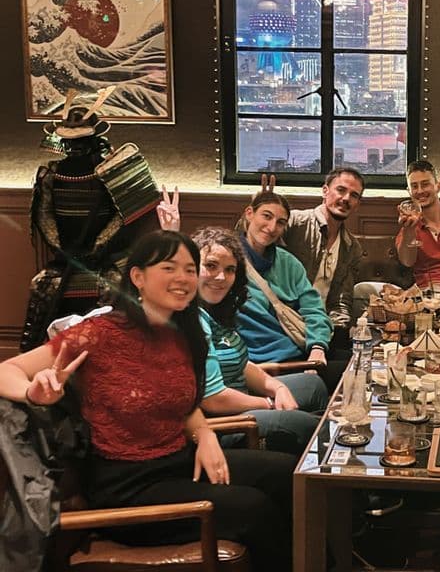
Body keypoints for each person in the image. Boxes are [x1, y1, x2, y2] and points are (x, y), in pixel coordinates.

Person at [0, 230, 297, 571]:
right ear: (137, 277)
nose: (183, 278)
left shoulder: (181, 333)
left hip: (177, 462)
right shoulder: (99, 333)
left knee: (286, 473)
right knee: (254, 508)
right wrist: (33, 393)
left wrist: (205, 434)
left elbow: (182, 404)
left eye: (189, 269)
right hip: (126, 486)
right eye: (169, 267)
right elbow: (7, 370)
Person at [21, 86, 161, 351]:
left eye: (80, 141)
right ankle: (36, 349)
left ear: (93, 139)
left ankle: (121, 349)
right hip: (66, 256)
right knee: (41, 286)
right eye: (69, 141)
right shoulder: (50, 175)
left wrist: (98, 246)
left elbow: (122, 214)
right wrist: (60, 247)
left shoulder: (112, 170)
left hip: (108, 257)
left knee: (116, 287)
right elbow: (44, 213)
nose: (74, 147)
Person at [193, 226, 328, 453]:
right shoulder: (193, 319)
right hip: (218, 423)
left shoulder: (218, 308)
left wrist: (277, 387)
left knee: (314, 386)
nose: (221, 277)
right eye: (211, 266)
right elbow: (213, 399)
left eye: (229, 269)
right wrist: (269, 403)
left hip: (240, 396)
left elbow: (242, 364)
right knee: (312, 428)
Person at [237, 191, 333, 366]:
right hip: (256, 359)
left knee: (355, 364)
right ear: (249, 213)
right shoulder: (228, 260)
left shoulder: (289, 263)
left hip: (295, 347)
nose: (272, 227)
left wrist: (317, 347)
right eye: (267, 216)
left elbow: (313, 309)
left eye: (280, 222)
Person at [281, 168, 365, 338]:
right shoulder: (295, 222)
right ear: (325, 191)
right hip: (283, 322)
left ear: (357, 204)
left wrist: (337, 331)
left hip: (320, 327)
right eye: (341, 190)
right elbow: (248, 242)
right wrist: (260, 213)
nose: (346, 198)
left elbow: (341, 301)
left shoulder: (352, 248)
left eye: (354, 195)